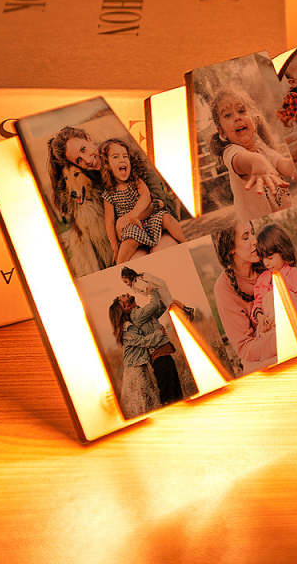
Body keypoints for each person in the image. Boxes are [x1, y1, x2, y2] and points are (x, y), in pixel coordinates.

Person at [209, 85, 297, 220]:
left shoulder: (262, 149)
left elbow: (285, 166)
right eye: (227, 115)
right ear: (222, 132)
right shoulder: (230, 151)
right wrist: (257, 161)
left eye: (241, 111)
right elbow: (242, 160)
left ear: (254, 121)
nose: (237, 118)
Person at [100, 138, 186, 263]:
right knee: (129, 242)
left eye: (125, 156)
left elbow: (146, 197)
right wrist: (114, 246)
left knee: (166, 218)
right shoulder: (109, 193)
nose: (122, 160)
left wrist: (133, 215)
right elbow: (110, 222)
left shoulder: (136, 181)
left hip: (149, 219)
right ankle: (119, 265)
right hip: (131, 228)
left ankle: (187, 243)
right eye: (115, 157)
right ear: (107, 165)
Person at [212, 217, 276, 374]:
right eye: (246, 237)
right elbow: (244, 348)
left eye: (253, 233)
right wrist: (282, 339)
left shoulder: (269, 263)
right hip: (261, 360)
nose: (255, 241)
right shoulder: (224, 288)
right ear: (230, 248)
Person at [112, 278, 184, 407]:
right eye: (123, 296)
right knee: (168, 392)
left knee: (174, 389)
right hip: (158, 356)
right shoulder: (137, 315)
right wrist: (151, 292)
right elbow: (154, 305)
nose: (127, 293)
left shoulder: (141, 314)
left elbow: (159, 308)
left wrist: (164, 295)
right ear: (126, 307)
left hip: (162, 353)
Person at [252, 223, 297, 348]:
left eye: (270, 258)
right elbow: (258, 303)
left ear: (283, 252)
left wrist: (286, 313)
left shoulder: (293, 274)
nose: (266, 263)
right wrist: (260, 316)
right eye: (263, 258)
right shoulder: (262, 280)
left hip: (296, 323)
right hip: (272, 327)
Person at [108, 294, 163, 417]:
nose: (127, 305)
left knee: (144, 396)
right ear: (121, 312)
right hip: (135, 367)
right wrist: (159, 334)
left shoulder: (131, 323)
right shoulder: (127, 328)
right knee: (141, 397)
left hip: (138, 364)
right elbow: (142, 341)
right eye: (124, 305)